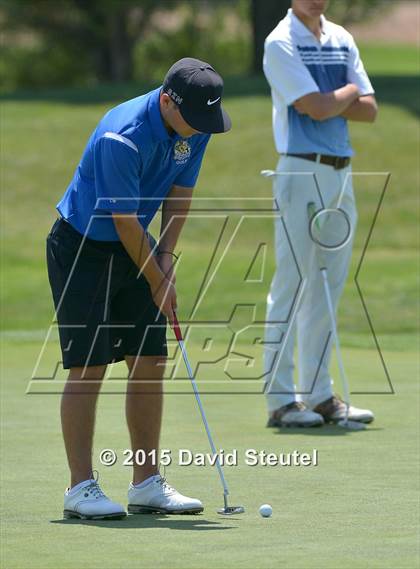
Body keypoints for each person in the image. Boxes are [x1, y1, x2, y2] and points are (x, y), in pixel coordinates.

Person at [46, 58, 231, 519]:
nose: (199, 130)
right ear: (167, 101)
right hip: (83, 247)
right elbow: (123, 221)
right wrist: (156, 278)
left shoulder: (197, 123)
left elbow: (181, 193)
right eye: (193, 120)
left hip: (138, 245)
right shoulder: (122, 135)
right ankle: (80, 488)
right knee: (88, 366)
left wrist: (165, 260)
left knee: (149, 359)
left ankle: (146, 482)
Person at [262, 0, 377, 428]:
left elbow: (371, 110)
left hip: (341, 172)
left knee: (327, 285)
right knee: (290, 282)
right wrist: (347, 91)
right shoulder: (280, 41)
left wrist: (337, 98)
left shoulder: (341, 38)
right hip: (300, 167)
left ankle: (319, 393)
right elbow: (315, 106)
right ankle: (280, 400)